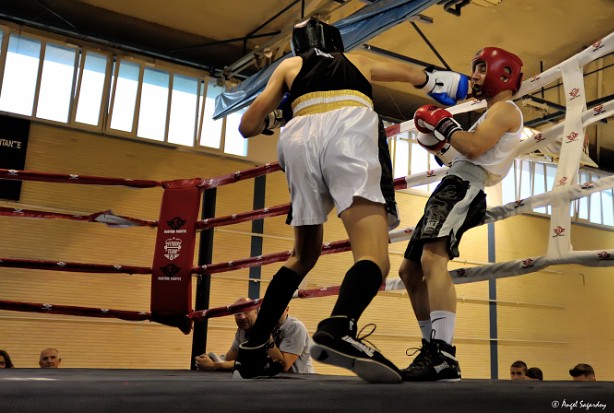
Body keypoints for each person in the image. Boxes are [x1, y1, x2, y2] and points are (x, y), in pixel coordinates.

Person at [235, 16, 467, 383]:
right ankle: (340, 326)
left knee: (302, 255)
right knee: (374, 256)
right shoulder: (357, 59)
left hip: (297, 141)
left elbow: (247, 126)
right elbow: (413, 75)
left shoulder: (289, 65)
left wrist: (280, 114)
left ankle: (252, 349)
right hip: (349, 132)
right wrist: (450, 82)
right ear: (336, 41)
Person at [398, 46, 524, 382]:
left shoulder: (507, 110)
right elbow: (457, 155)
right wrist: (435, 142)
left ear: (505, 73)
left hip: (466, 188)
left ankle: (443, 353)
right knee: (409, 270)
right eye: (476, 69)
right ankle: (431, 350)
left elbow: (472, 149)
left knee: (432, 259)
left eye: (482, 68)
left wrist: (445, 123)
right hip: (452, 183)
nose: (476, 76)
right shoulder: (489, 114)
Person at [195, 297, 313, 374]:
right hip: (274, 383)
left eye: (246, 312)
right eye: (238, 314)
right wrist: (213, 359)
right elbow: (231, 358)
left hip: (299, 381)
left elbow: (282, 367)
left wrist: (216, 365)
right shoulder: (244, 330)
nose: (242, 317)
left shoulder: (295, 328)